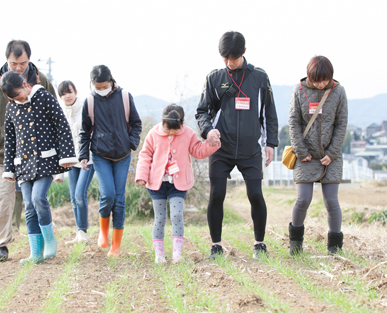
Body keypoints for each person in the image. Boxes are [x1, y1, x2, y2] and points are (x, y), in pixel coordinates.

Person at [0, 40, 57, 261]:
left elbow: (55, 115)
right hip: (2, 152)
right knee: (3, 198)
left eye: (23, 63)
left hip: (35, 154)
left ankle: (42, 244)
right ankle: (2, 246)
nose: (18, 67)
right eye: (13, 63)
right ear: (6, 60)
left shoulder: (41, 81)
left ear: (29, 59)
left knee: (34, 200)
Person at [195, 31, 279, 260]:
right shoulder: (214, 78)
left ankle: (259, 244)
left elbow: (269, 112)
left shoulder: (260, 77)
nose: (229, 63)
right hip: (220, 148)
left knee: (255, 194)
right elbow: (202, 110)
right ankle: (216, 245)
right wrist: (207, 130)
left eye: (232, 58)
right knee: (217, 195)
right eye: (225, 59)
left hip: (250, 149)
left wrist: (270, 143)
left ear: (244, 52)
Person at [0, 71, 77, 264]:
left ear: (25, 84)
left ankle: (50, 239)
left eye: (19, 94)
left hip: (45, 161)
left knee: (38, 198)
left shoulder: (43, 97)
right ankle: (36, 252)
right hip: (22, 165)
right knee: (29, 208)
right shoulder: (11, 108)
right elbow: (10, 140)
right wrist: (8, 168)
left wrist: (66, 156)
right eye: (14, 98)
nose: (19, 99)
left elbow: (61, 124)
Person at [135, 104, 220, 264]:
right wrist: (142, 175)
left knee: (176, 215)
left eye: (175, 129)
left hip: (178, 183)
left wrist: (211, 144)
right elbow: (145, 154)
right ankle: (159, 254)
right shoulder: (153, 133)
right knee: (160, 218)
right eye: (168, 129)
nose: (171, 132)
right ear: (162, 121)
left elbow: (198, 150)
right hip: (157, 183)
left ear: (182, 123)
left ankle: (177, 253)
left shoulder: (188, 134)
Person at [79, 65, 142, 257]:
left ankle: (116, 246)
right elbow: (84, 131)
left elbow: (136, 123)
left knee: (120, 199)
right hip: (100, 154)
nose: (100, 89)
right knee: (108, 195)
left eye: (104, 86)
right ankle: (103, 232)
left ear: (111, 81)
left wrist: (131, 143)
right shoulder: (89, 102)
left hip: (123, 155)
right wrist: (83, 155)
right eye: (97, 87)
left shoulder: (124, 97)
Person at [288, 56, 348, 255]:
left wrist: (332, 153)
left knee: (332, 201)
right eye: (316, 80)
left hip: (331, 156)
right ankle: (295, 244)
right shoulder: (299, 91)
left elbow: (341, 124)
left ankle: (334, 248)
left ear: (330, 76)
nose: (320, 84)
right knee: (303, 199)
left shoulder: (338, 91)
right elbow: (294, 122)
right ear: (309, 76)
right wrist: (302, 151)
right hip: (305, 155)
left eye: (324, 80)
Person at [55, 80, 95, 244]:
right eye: (63, 94)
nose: (67, 96)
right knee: (73, 197)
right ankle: (79, 233)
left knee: (80, 194)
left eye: (69, 92)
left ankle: (83, 232)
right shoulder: (61, 113)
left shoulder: (86, 108)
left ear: (76, 91)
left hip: (88, 159)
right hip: (71, 160)